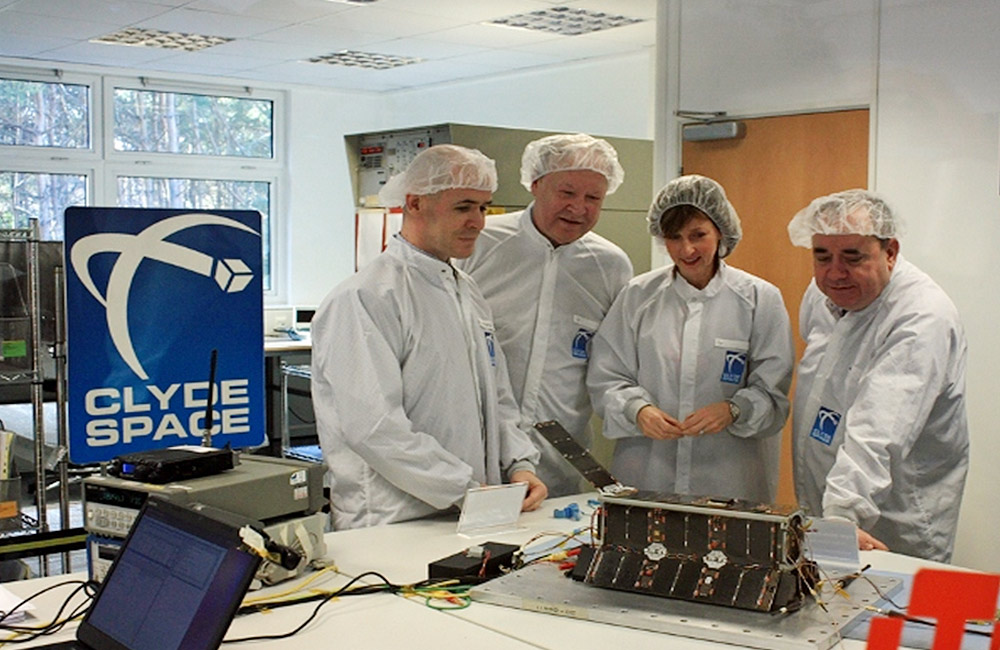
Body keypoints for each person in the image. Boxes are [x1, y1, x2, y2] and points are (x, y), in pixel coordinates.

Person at [311, 144, 547, 530]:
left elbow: (498, 398)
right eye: (463, 207)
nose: (478, 222)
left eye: (483, 208)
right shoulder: (366, 298)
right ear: (415, 204)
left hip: (471, 510)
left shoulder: (466, 290)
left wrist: (519, 465)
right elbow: (374, 427)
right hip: (393, 522)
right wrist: (463, 488)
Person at [587, 175, 793, 503]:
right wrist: (638, 410)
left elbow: (773, 392)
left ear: (721, 232)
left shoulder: (758, 298)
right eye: (674, 237)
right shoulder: (638, 296)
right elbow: (607, 376)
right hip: (649, 469)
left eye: (699, 235)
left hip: (729, 475)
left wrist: (734, 409)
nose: (687, 249)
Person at [788, 189, 969, 562]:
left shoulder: (920, 318)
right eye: (822, 256)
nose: (834, 272)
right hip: (830, 510)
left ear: (890, 252)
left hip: (892, 523)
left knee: (900, 616)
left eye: (853, 257)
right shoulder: (827, 293)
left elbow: (878, 430)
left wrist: (841, 514)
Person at [456, 133, 632, 496]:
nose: (579, 208)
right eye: (567, 193)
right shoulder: (481, 243)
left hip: (558, 454)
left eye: (593, 198)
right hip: (474, 445)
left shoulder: (610, 266)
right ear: (535, 185)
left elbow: (614, 365)